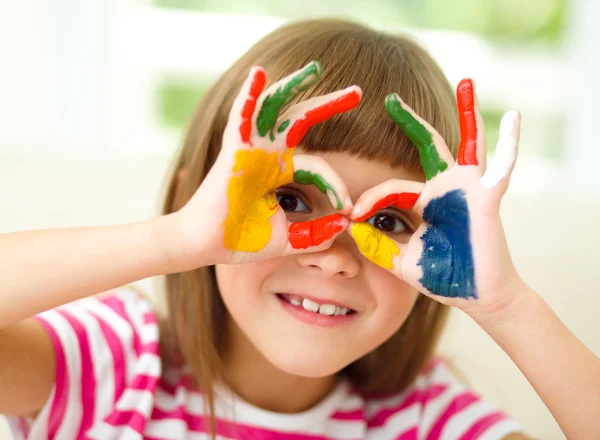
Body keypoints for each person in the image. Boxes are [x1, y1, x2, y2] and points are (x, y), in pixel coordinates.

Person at [1, 18, 598, 440]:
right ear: (195, 197)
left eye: (387, 220)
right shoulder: (107, 366)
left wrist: (508, 306)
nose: (335, 257)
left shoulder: (424, 419)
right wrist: (176, 238)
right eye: (290, 199)